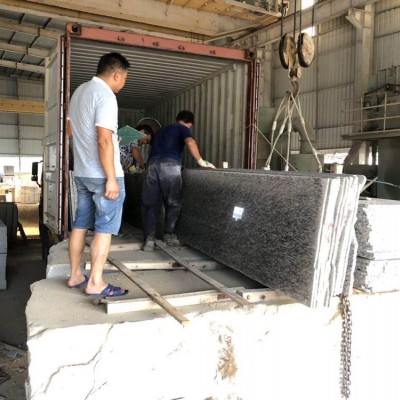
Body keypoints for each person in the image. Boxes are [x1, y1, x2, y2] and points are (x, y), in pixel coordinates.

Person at [67, 52, 130, 298]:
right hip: (103, 175)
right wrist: (111, 178)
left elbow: (71, 132)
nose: (123, 84)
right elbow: (103, 140)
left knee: (80, 224)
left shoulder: (78, 92)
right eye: (124, 78)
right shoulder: (105, 96)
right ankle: (95, 282)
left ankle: (75, 275)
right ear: (117, 75)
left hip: (82, 172)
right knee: (104, 228)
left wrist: (111, 140)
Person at [142, 110, 215, 251]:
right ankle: (168, 235)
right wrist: (201, 161)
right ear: (190, 124)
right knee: (173, 202)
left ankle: (149, 239)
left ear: (177, 119)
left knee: (151, 203)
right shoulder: (183, 128)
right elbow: (190, 142)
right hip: (170, 166)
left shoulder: (160, 131)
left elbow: (152, 150)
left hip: (152, 166)